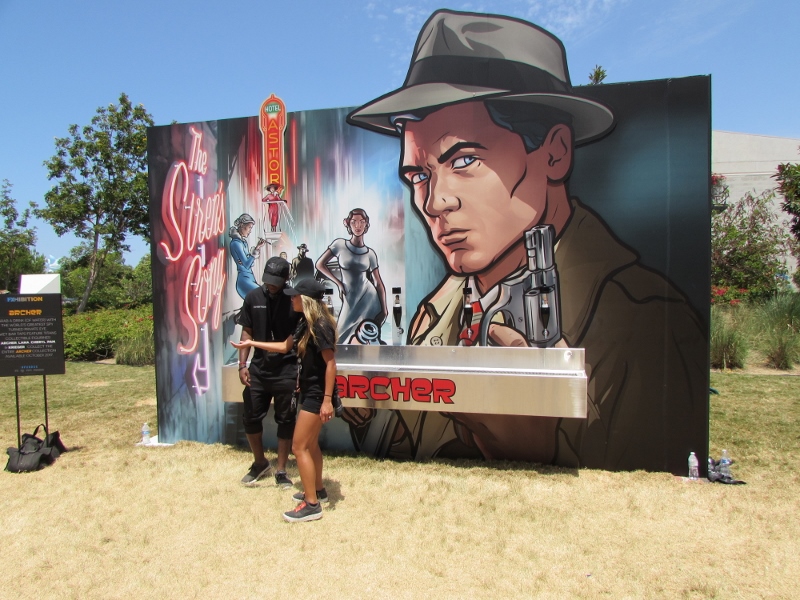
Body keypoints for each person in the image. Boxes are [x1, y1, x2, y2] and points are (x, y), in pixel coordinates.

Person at [345, 9, 705, 470]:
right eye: (418, 175)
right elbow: (411, 445)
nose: (434, 202)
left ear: (554, 152)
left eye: (464, 160)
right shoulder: (438, 309)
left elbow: (643, 495)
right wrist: (368, 412)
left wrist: (537, 450)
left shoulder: (647, 323)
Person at [232, 279, 337, 522]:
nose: (291, 299)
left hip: (317, 394)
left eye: (295, 296)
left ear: (306, 300)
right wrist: (251, 343)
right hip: (310, 390)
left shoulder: (320, 325)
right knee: (310, 445)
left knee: (298, 447)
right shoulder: (305, 323)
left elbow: (331, 364)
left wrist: (327, 400)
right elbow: (283, 346)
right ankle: (318, 491)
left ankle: (311, 505)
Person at [234, 256, 300, 487]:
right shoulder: (253, 297)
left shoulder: (294, 300)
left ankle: (281, 470)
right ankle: (260, 462)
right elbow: (247, 332)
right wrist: (242, 365)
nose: (270, 284)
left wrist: (299, 372)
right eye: (267, 280)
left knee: (286, 419)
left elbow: (298, 340)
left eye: (275, 281)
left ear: (286, 279)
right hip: (258, 370)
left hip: (286, 369)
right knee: (251, 416)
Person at [316, 208, 388, 343]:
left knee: (365, 337)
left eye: (361, 222)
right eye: (354, 222)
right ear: (348, 223)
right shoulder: (339, 244)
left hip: (369, 298)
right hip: (349, 297)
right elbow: (320, 264)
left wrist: (384, 309)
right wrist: (339, 283)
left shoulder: (370, 254)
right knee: (340, 338)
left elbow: (378, 282)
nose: (358, 226)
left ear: (366, 224)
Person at [229, 214, 266, 299]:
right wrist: (250, 258)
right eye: (249, 227)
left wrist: (257, 248)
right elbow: (247, 264)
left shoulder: (244, 242)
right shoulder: (236, 243)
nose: (250, 231)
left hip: (250, 278)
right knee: (264, 297)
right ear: (242, 225)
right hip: (244, 281)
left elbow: (248, 262)